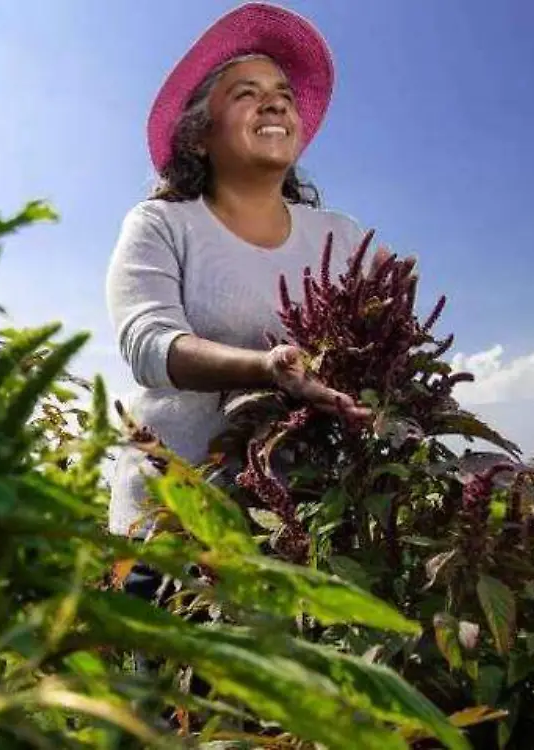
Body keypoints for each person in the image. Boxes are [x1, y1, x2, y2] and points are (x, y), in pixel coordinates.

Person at [106, 2, 384, 542]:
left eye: (283, 94)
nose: (275, 103)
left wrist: (389, 324)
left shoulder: (343, 237)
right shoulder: (162, 224)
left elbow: (374, 359)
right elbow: (149, 345)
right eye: (246, 93)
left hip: (308, 525)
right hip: (174, 524)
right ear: (199, 136)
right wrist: (265, 368)